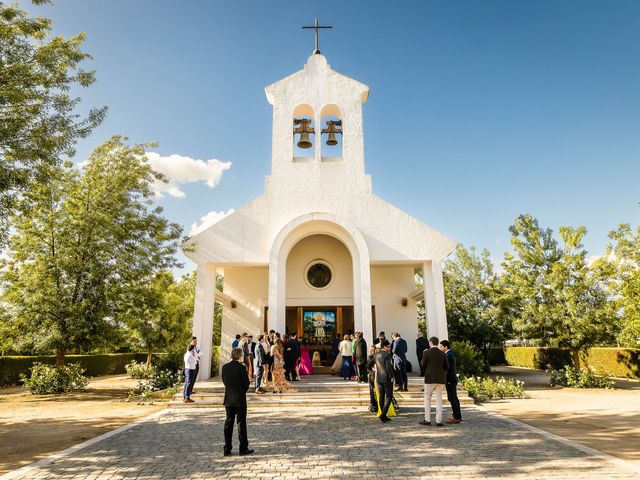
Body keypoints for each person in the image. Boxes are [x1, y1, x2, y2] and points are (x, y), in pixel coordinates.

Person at [222, 348, 253, 456]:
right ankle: (243, 448)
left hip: (229, 399)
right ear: (240, 356)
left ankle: (227, 448)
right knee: (241, 423)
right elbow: (246, 384)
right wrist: (241, 391)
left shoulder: (225, 367)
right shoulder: (242, 368)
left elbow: (224, 382)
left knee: (228, 423)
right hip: (240, 399)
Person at [419, 336, 449, 427]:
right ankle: (439, 421)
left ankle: (427, 419)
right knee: (439, 399)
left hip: (429, 379)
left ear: (430, 342)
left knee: (427, 399)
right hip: (440, 379)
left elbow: (422, 365)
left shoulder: (426, 352)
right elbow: (447, 367)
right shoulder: (443, 353)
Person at [366, 339, 395, 422]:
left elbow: (368, 366)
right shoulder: (387, 355)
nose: (389, 348)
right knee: (389, 397)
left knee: (381, 397)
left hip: (378, 378)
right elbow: (389, 368)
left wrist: (373, 370)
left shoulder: (376, 354)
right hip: (386, 378)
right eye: (388, 346)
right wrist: (392, 377)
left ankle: (383, 414)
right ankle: (383, 415)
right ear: (385, 347)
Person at [440, 340, 462, 424]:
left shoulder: (448, 355)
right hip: (451, 379)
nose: (440, 348)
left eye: (441, 346)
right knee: (453, 398)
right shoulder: (449, 354)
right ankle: (457, 416)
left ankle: (456, 417)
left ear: (446, 347)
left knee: (452, 398)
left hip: (450, 379)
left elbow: (447, 368)